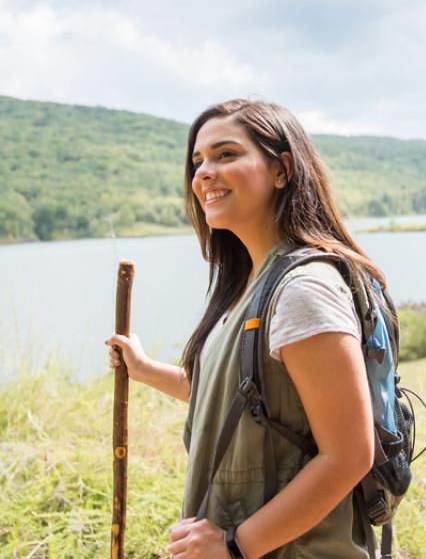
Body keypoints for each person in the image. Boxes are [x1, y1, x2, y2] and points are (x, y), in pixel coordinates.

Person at [106, 99, 386, 558]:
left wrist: (236, 545)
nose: (203, 173)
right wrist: (145, 370)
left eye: (226, 154)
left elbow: (350, 454)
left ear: (282, 169)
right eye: (198, 161)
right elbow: (244, 398)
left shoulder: (302, 290)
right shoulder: (252, 285)